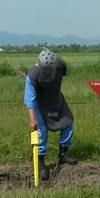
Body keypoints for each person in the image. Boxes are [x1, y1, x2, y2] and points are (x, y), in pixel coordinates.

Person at [24, 49, 77, 180]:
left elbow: (64, 73)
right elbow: (30, 99)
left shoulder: (60, 65)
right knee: (41, 131)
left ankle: (63, 154)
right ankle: (41, 161)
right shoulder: (32, 75)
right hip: (40, 105)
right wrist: (32, 120)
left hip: (56, 100)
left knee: (68, 123)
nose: (47, 72)